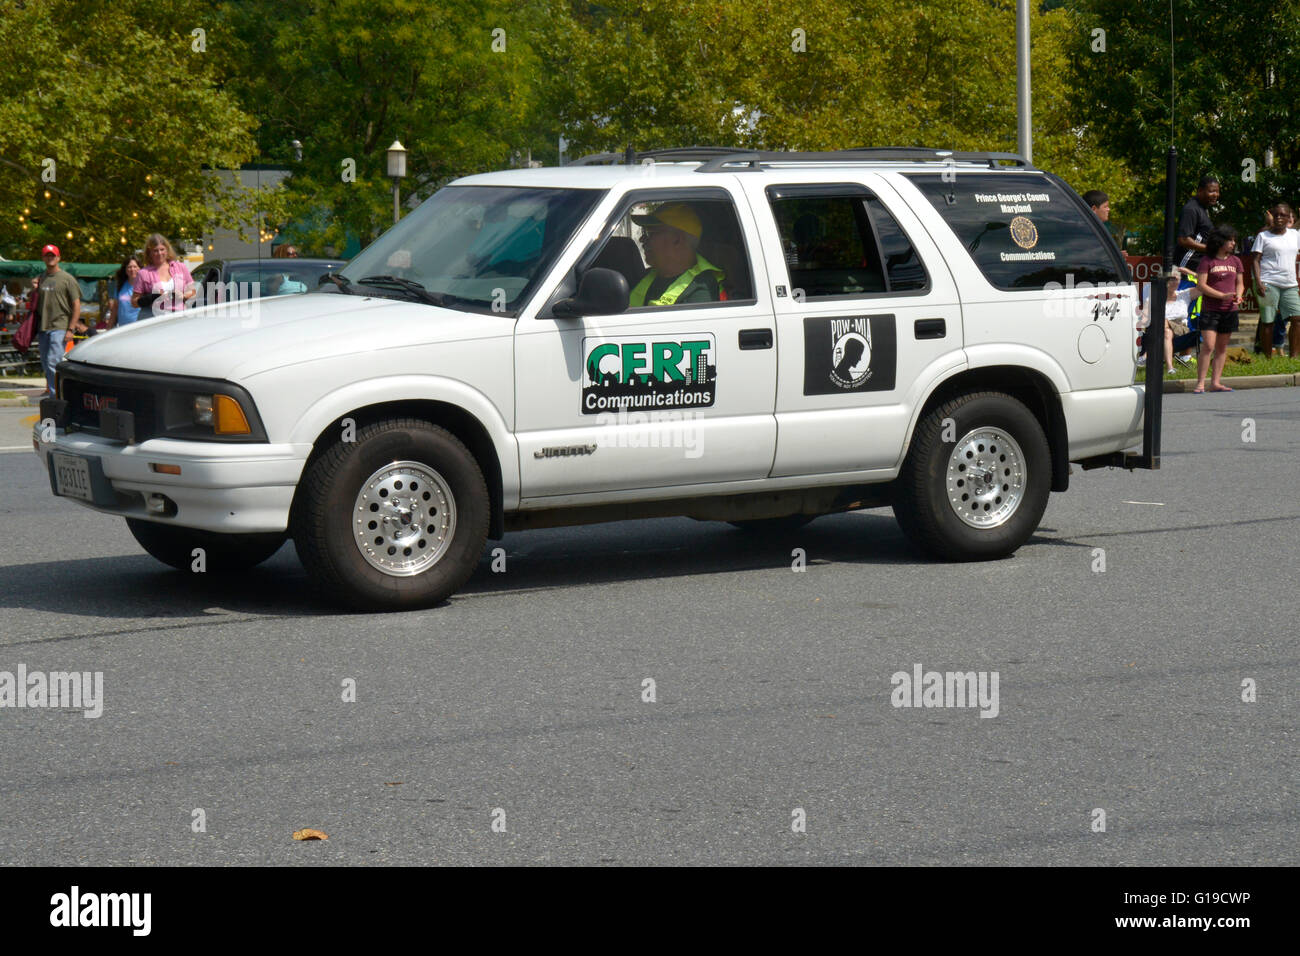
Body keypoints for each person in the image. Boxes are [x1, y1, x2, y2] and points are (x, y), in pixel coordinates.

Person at [628, 203, 723, 307]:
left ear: (677, 240)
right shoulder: (648, 276)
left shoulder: (701, 288)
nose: (642, 239)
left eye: (650, 233)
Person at [1193, 226, 1244, 393]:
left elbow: (1240, 283)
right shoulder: (1207, 261)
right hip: (1211, 310)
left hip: (1230, 310)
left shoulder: (1235, 261)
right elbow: (1201, 285)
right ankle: (1200, 383)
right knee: (1208, 345)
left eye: (1234, 240)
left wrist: (1239, 295)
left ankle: (1215, 382)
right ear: (1220, 241)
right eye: (1230, 240)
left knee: (1222, 348)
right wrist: (1221, 295)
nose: (1233, 243)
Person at [34, 244, 85, 397]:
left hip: (60, 326)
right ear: (43, 258)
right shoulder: (41, 278)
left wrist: (70, 329)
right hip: (43, 327)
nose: (50, 258)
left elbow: (76, 305)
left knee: (53, 362)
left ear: (58, 258)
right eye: (47, 255)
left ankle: (59, 396)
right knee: (45, 363)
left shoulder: (67, 279)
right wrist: (33, 289)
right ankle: (56, 394)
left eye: (53, 255)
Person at [1251, 203, 1300, 358]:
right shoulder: (1263, 236)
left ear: (1288, 218)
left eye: (1283, 215)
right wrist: (1258, 282)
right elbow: (1255, 260)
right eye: (1276, 214)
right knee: (1268, 322)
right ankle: (1267, 358)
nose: (1279, 218)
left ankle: (1293, 357)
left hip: (1290, 284)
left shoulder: (1295, 235)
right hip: (1268, 282)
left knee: (1297, 318)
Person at [1138, 266, 1198, 374]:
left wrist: (1191, 273)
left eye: (1176, 279)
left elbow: (1209, 285)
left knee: (1163, 321)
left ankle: (1146, 355)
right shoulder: (1153, 296)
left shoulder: (1185, 294)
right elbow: (1145, 317)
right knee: (1166, 332)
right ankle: (1170, 368)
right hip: (1161, 331)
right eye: (1170, 278)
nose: (1174, 282)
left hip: (1181, 330)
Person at [131, 234, 195, 316]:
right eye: (155, 250)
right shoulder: (143, 273)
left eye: (162, 249)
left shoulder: (180, 267)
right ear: (149, 253)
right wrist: (152, 297)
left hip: (180, 316)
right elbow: (134, 302)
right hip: (156, 319)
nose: (159, 253)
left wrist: (183, 296)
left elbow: (193, 292)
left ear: (167, 250)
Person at [1177, 175, 1220, 272]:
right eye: (1211, 191)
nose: (1215, 194)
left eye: (1217, 191)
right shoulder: (1191, 209)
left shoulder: (1203, 209)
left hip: (1200, 267)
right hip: (1187, 267)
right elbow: (1183, 240)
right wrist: (1210, 249)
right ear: (1200, 191)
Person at [105, 255, 141, 329]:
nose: (132, 269)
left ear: (140, 268)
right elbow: (115, 309)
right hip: (123, 329)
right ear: (125, 269)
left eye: (135, 266)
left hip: (140, 327)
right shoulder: (120, 286)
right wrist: (108, 328)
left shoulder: (144, 286)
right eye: (129, 267)